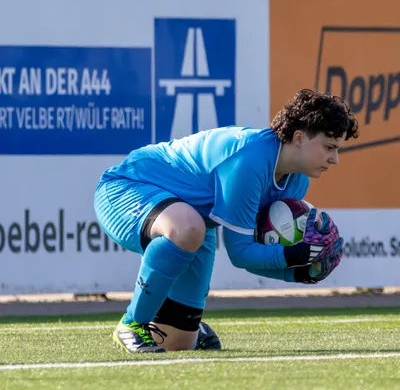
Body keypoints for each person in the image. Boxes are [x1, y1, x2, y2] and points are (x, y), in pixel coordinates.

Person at [94, 89, 359, 353]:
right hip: (125, 188)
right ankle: (132, 324)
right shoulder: (250, 160)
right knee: (188, 229)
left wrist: (298, 272)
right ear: (299, 138)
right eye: (329, 147)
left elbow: (253, 255)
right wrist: (294, 255)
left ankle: (190, 330)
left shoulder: (297, 181)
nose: (335, 159)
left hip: (192, 221)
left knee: (179, 345)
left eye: (338, 149)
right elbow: (240, 253)